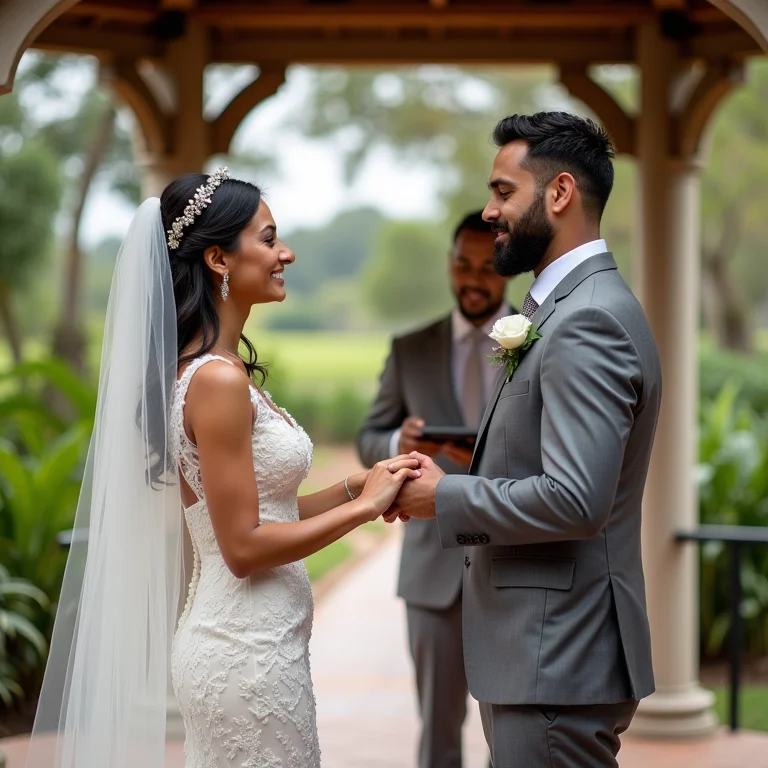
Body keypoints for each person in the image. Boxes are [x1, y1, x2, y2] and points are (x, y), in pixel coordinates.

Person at [26, 169, 422, 768]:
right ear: (218, 258)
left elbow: (264, 513)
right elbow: (242, 546)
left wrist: (354, 486)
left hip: (259, 646)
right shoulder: (216, 380)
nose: (285, 252)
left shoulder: (214, 370)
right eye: (268, 238)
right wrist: (366, 512)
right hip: (246, 654)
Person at [388, 112, 662, 768]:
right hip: (543, 658)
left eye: (504, 192)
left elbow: (576, 500)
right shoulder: (566, 310)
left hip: (556, 657)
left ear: (560, 193)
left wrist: (445, 496)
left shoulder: (586, 319)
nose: (488, 212)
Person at [357, 211, 513, 768]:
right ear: (449, 264)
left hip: (514, 559)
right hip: (432, 571)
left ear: (507, 269)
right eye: (462, 264)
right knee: (438, 731)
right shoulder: (410, 347)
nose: (473, 279)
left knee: (515, 730)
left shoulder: (541, 338)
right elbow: (368, 437)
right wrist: (397, 439)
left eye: (488, 267)